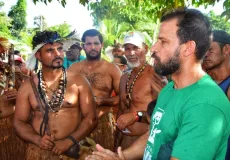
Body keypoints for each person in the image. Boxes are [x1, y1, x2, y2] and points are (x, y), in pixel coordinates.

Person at [86, 8, 230, 160]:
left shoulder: (205, 106)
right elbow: (155, 133)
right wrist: (121, 156)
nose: (154, 48)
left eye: (163, 41)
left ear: (188, 48)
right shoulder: (169, 89)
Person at [14, 31, 97, 160]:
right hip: (41, 152)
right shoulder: (27, 87)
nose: (57, 54)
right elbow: (19, 122)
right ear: (38, 55)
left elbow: (91, 118)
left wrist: (68, 141)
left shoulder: (79, 81)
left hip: (75, 149)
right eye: (50, 50)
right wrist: (37, 139)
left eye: (59, 49)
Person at [68, 29, 122, 151]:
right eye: (88, 44)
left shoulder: (112, 69)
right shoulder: (74, 69)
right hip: (76, 124)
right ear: (83, 46)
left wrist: (102, 101)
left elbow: (122, 97)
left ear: (101, 45)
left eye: (96, 43)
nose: (93, 47)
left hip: (102, 123)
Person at [115, 31, 167, 151]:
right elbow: (121, 111)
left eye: (136, 48)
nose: (131, 53)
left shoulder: (155, 75)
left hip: (145, 143)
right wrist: (116, 143)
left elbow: (164, 111)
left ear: (146, 49)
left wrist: (136, 116)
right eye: (127, 49)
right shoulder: (124, 77)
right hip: (124, 141)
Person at [0, 37, 26, 160]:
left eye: (2, 54)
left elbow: (35, 99)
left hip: (12, 131)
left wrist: (20, 95)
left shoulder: (14, 75)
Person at [203, 30, 230, 99]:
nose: (205, 55)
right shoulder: (204, 79)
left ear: (226, 49)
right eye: (204, 51)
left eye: (210, 49)